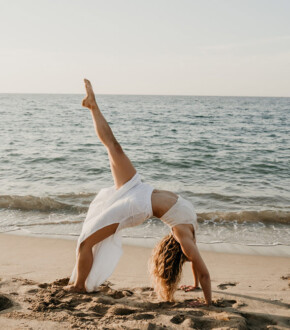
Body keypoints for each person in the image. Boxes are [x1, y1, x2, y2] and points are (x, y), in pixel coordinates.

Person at [64, 79, 211, 306]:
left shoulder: (184, 234)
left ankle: (79, 286)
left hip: (137, 206)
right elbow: (196, 263)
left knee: (86, 243)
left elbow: (203, 270)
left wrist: (208, 302)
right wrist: (196, 285)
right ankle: (92, 105)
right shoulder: (189, 232)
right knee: (114, 147)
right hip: (139, 188)